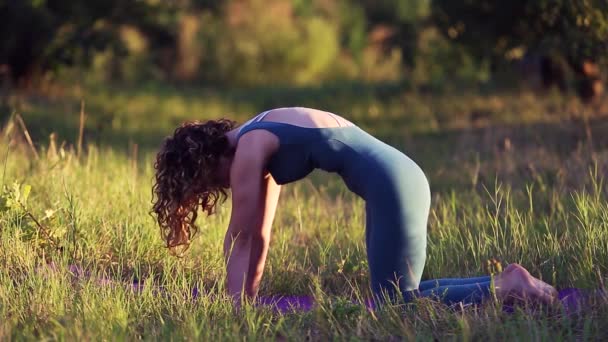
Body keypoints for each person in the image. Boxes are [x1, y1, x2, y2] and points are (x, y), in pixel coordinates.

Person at [151, 107, 558, 306]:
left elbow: (239, 239)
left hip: (393, 185)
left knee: (394, 305)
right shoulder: (260, 134)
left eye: (208, 182)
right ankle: (505, 282)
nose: (220, 187)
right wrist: (246, 302)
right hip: (403, 177)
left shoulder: (248, 149)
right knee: (401, 295)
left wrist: (231, 308)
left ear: (207, 159)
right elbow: (258, 235)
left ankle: (508, 288)